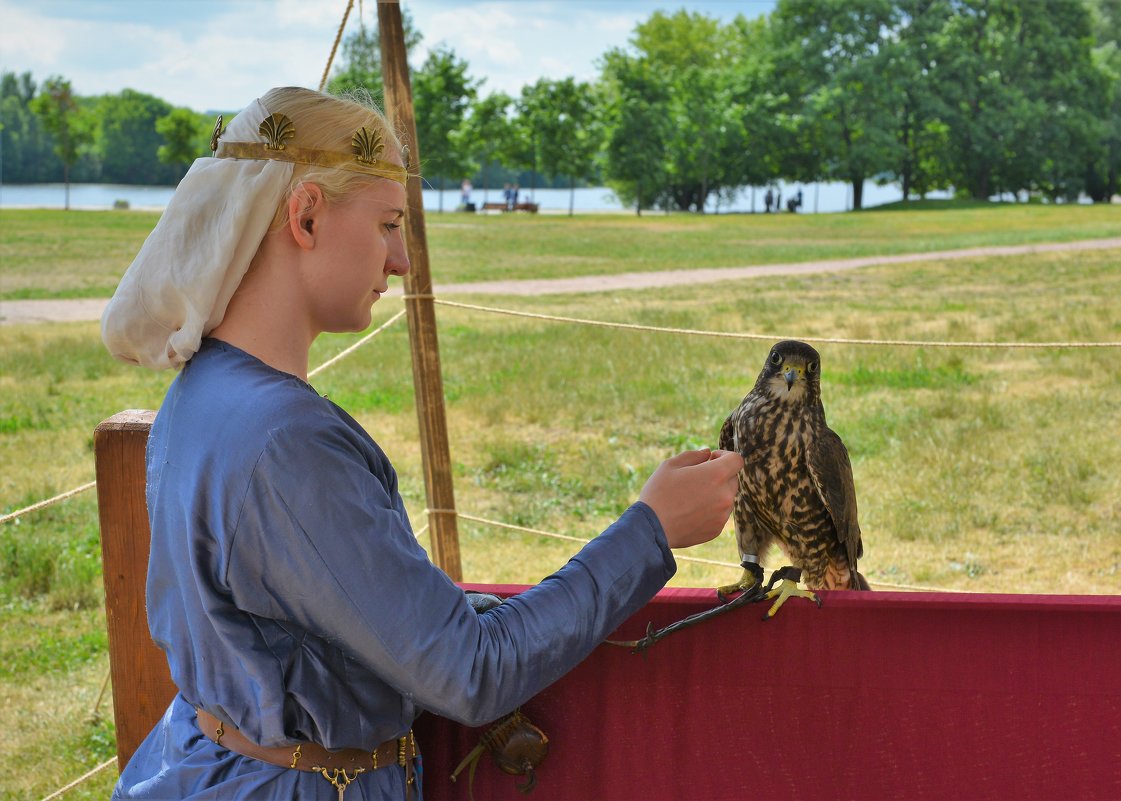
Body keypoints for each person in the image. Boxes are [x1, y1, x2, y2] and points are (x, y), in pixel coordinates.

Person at [100, 86, 743, 801]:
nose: (403, 260)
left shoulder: (205, 387)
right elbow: (470, 673)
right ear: (305, 214)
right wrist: (652, 528)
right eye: (387, 224)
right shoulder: (286, 442)